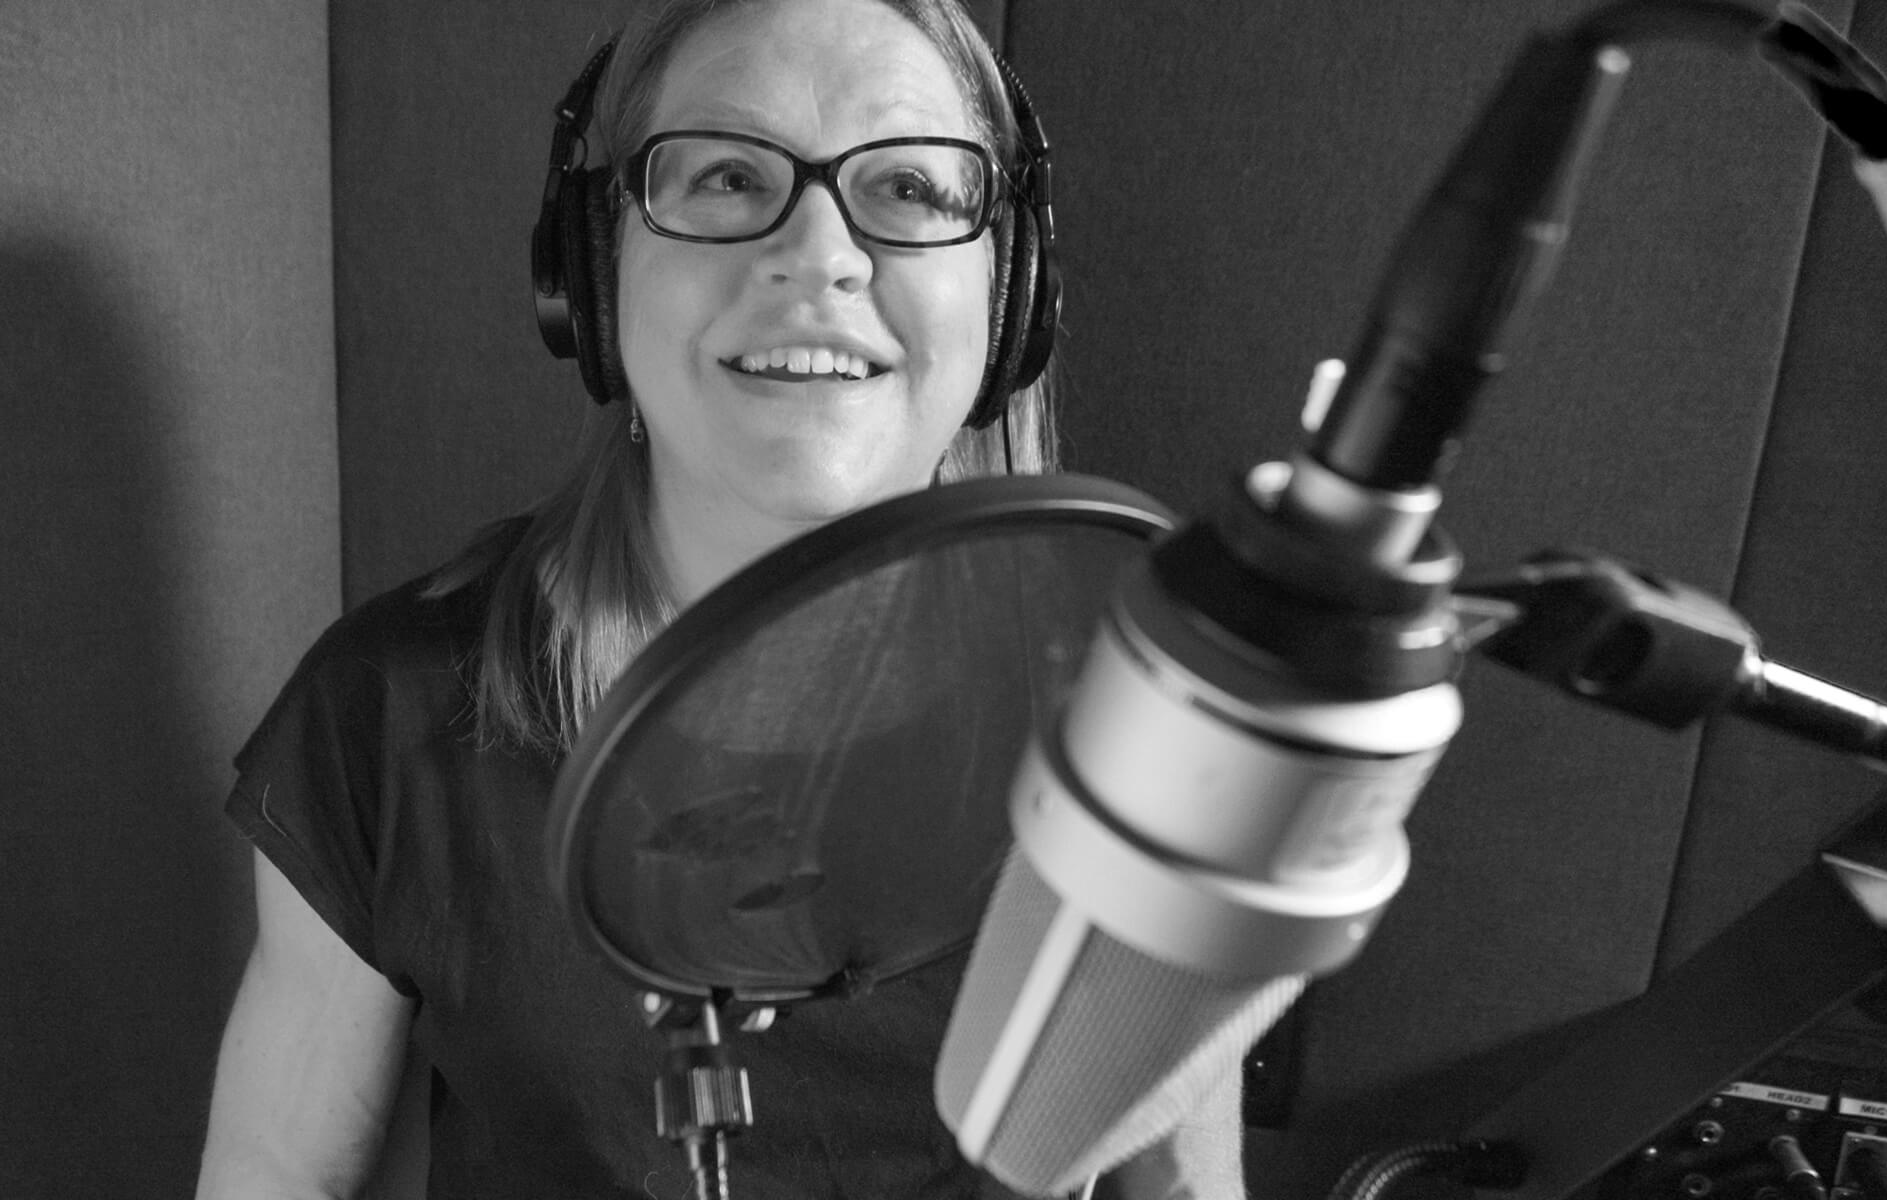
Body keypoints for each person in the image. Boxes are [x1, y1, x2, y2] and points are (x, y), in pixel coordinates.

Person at [194, 0, 1246, 1196]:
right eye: (729, 177)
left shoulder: (1156, 725)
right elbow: (277, 1170)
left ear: (1009, 301)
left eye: (909, 189)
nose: (818, 254)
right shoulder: (385, 716)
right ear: (593, 272)